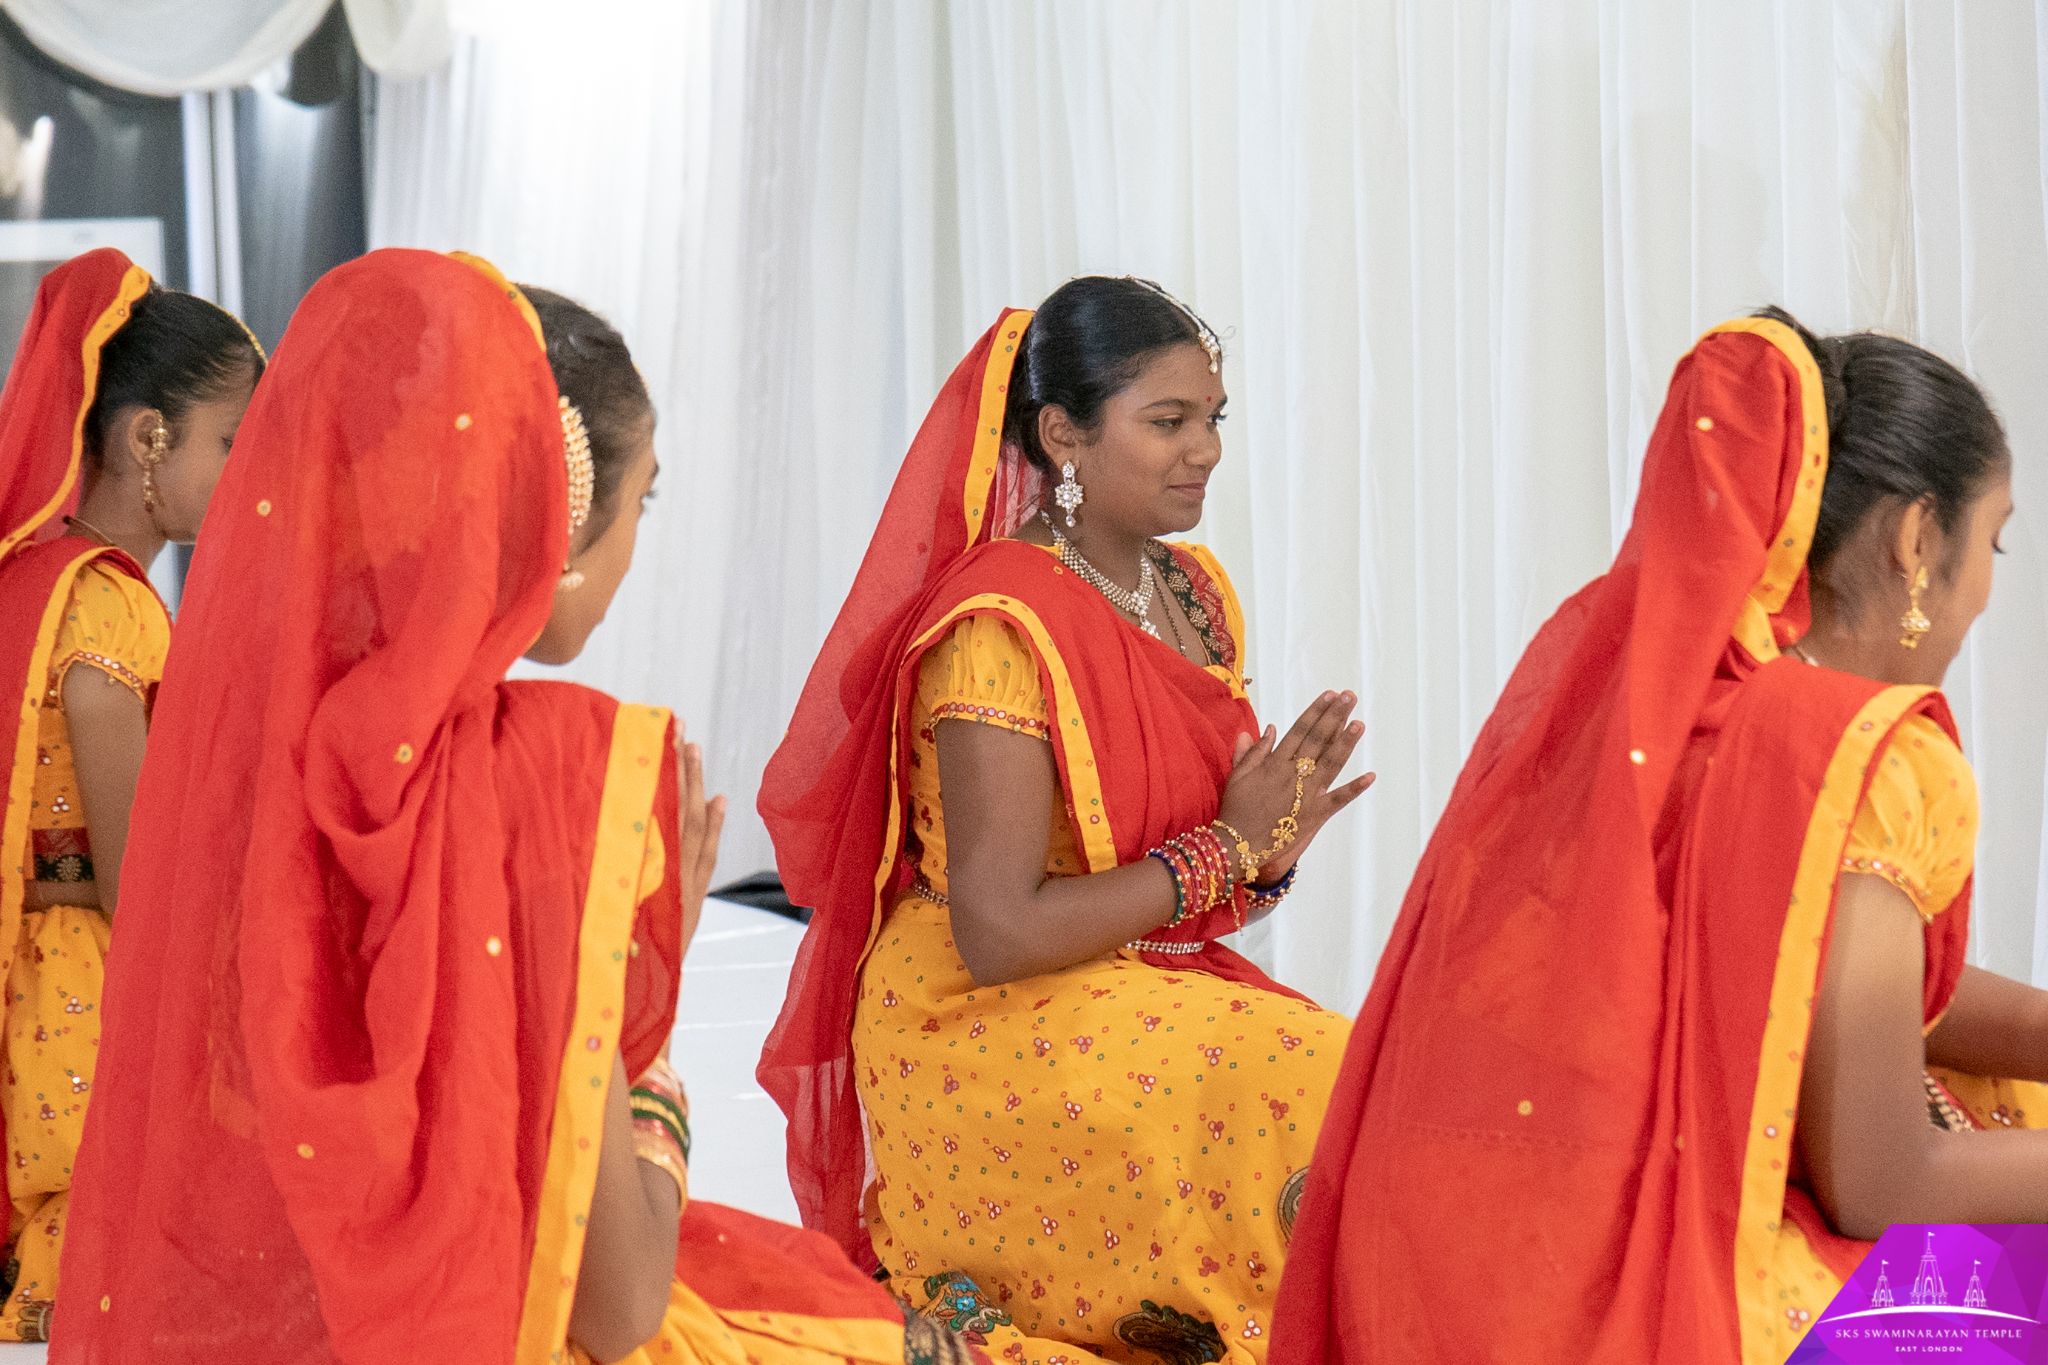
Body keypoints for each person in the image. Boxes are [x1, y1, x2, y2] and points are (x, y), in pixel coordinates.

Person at [54, 249, 983, 1364]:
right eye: (646, 501)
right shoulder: (555, 779)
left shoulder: (238, 762)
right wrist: (638, 1015)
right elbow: (617, 1304)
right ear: (562, 512)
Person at [1271, 311, 2039, 1364]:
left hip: (1474, 1273)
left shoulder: (1644, 702)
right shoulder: (1860, 755)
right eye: (1989, 540)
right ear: (1914, 539)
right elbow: (1877, 1181)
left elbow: (1811, 982)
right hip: (1680, 1305)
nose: (1987, 588)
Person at [761, 276, 1372, 1362]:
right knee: (1312, 1078)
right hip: (975, 1016)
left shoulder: (1194, 597)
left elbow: (1175, 890)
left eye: (1212, 420)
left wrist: (1263, 858)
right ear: (1062, 435)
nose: (1205, 451)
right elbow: (998, 930)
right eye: (1167, 422)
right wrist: (1223, 848)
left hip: (1126, 985)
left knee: (1356, 1072)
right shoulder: (997, 623)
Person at [0, 248, 262, 1341]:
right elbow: (140, 872)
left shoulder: (34, 580)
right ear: (148, 437)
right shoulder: (106, 610)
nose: (250, 476)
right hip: (88, 998)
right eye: (232, 444)